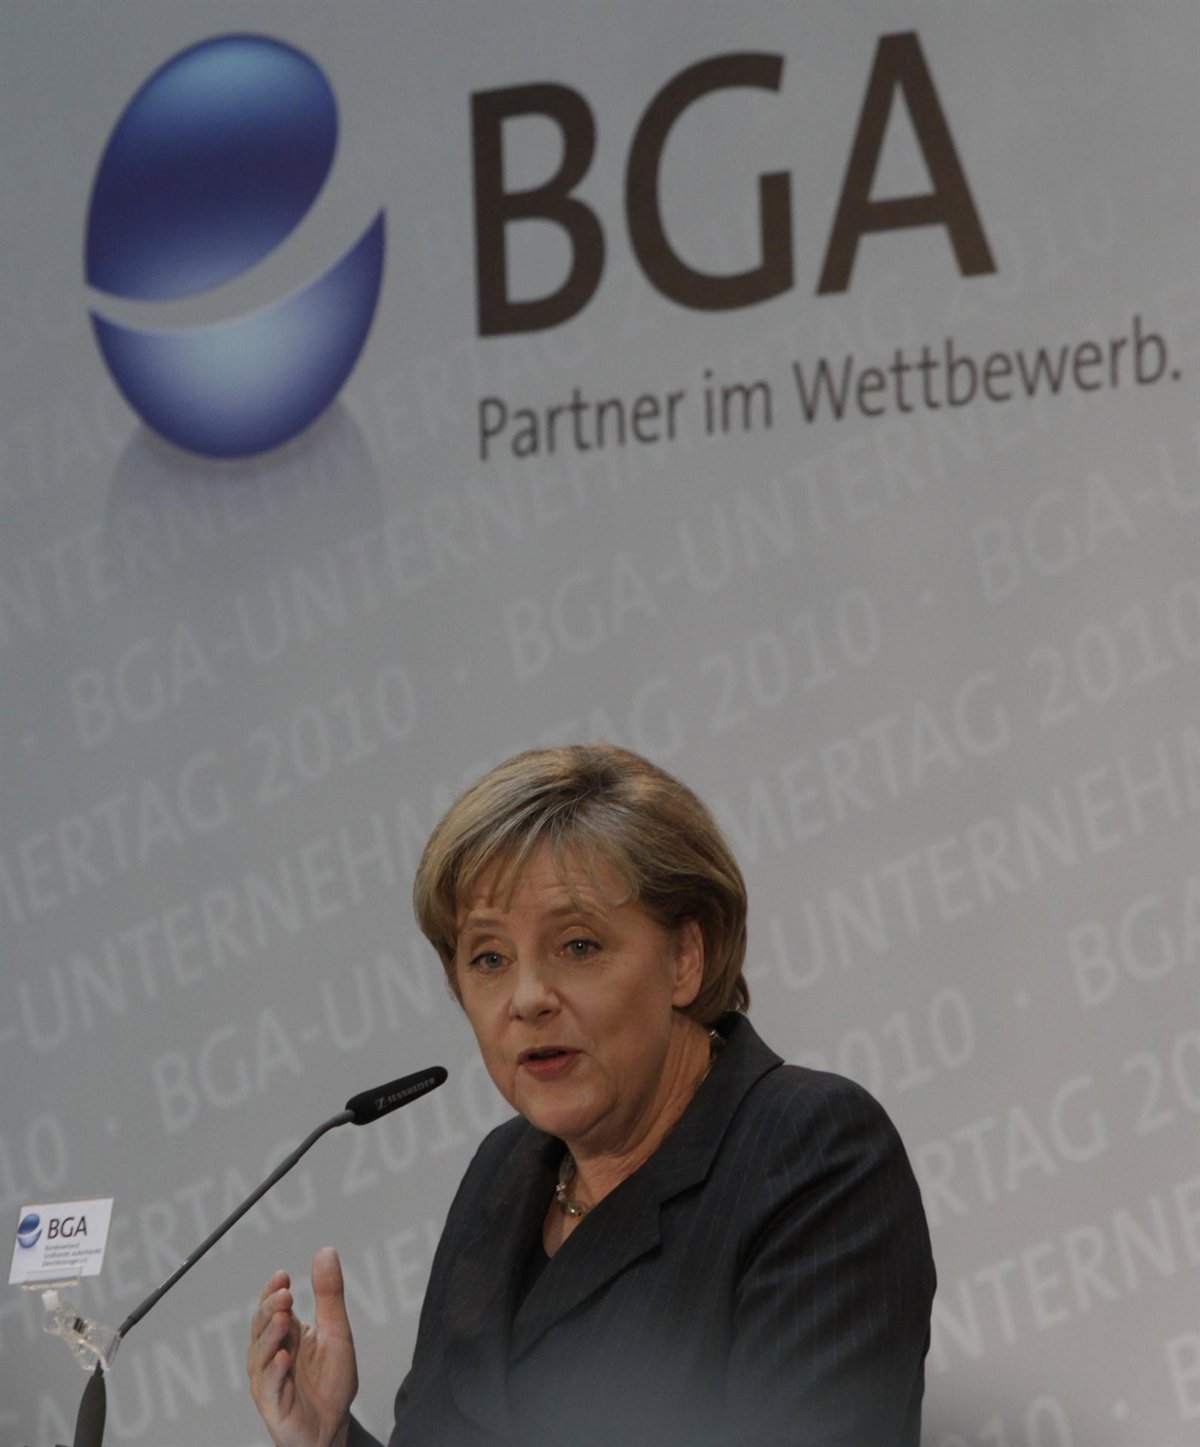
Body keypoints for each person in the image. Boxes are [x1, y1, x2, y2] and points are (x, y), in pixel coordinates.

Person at [248, 744, 935, 1447]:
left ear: (685, 957)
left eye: (577, 945)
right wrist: (332, 1441)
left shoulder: (808, 1148)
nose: (528, 998)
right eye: (489, 957)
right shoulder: (504, 1173)